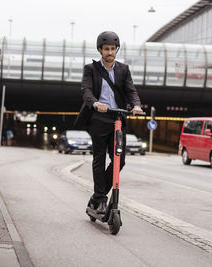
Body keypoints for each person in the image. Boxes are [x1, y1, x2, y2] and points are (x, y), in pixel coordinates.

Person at [74, 31, 143, 214]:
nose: (110, 52)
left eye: (113, 49)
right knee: (99, 158)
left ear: (116, 50)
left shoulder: (123, 69)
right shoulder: (91, 69)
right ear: (100, 50)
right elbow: (86, 90)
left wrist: (136, 105)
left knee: (119, 161)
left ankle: (98, 196)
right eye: (106, 49)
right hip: (99, 118)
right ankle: (102, 199)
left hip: (118, 118)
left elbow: (131, 91)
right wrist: (96, 103)